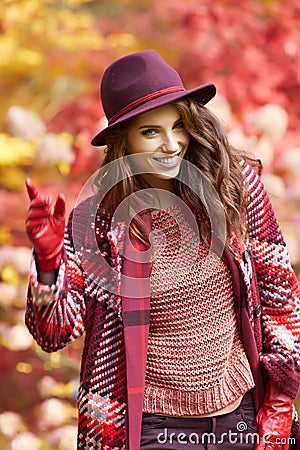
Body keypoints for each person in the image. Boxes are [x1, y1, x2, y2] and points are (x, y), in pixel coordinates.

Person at [25, 50, 300, 450]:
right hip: (151, 428)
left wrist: (279, 401)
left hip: (241, 415)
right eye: (151, 132)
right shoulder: (102, 218)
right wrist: (49, 262)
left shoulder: (233, 186)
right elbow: (54, 332)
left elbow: (281, 296)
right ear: (124, 141)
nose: (172, 144)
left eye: (179, 126)